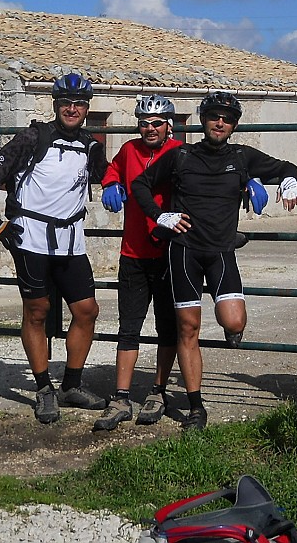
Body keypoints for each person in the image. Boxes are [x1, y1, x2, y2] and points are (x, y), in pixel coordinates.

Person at [131, 91, 297, 431]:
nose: (219, 122)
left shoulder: (242, 157)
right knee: (188, 328)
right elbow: (140, 184)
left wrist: (289, 180)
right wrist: (159, 216)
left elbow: (286, 166)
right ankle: (196, 407)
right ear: (203, 120)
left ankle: (229, 326)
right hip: (184, 249)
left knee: (234, 322)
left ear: (233, 125)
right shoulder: (181, 156)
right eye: (213, 116)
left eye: (226, 118)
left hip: (221, 250)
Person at [0, 70, 108, 424]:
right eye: (66, 103)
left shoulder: (91, 146)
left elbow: (109, 174)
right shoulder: (33, 138)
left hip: (71, 240)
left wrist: (115, 185)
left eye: (79, 104)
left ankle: (72, 385)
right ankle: (44, 388)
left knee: (87, 311)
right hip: (30, 237)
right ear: (55, 104)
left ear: (86, 107)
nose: (72, 109)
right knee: (37, 311)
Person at [93, 94, 182, 431]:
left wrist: (248, 181)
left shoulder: (179, 153)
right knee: (128, 327)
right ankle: (120, 396)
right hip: (133, 252)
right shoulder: (129, 150)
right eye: (144, 123)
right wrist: (111, 183)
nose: (149, 128)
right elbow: (113, 169)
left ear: (168, 126)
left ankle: (159, 390)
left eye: (156, 123)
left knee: (166, 326)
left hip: (168, 252)